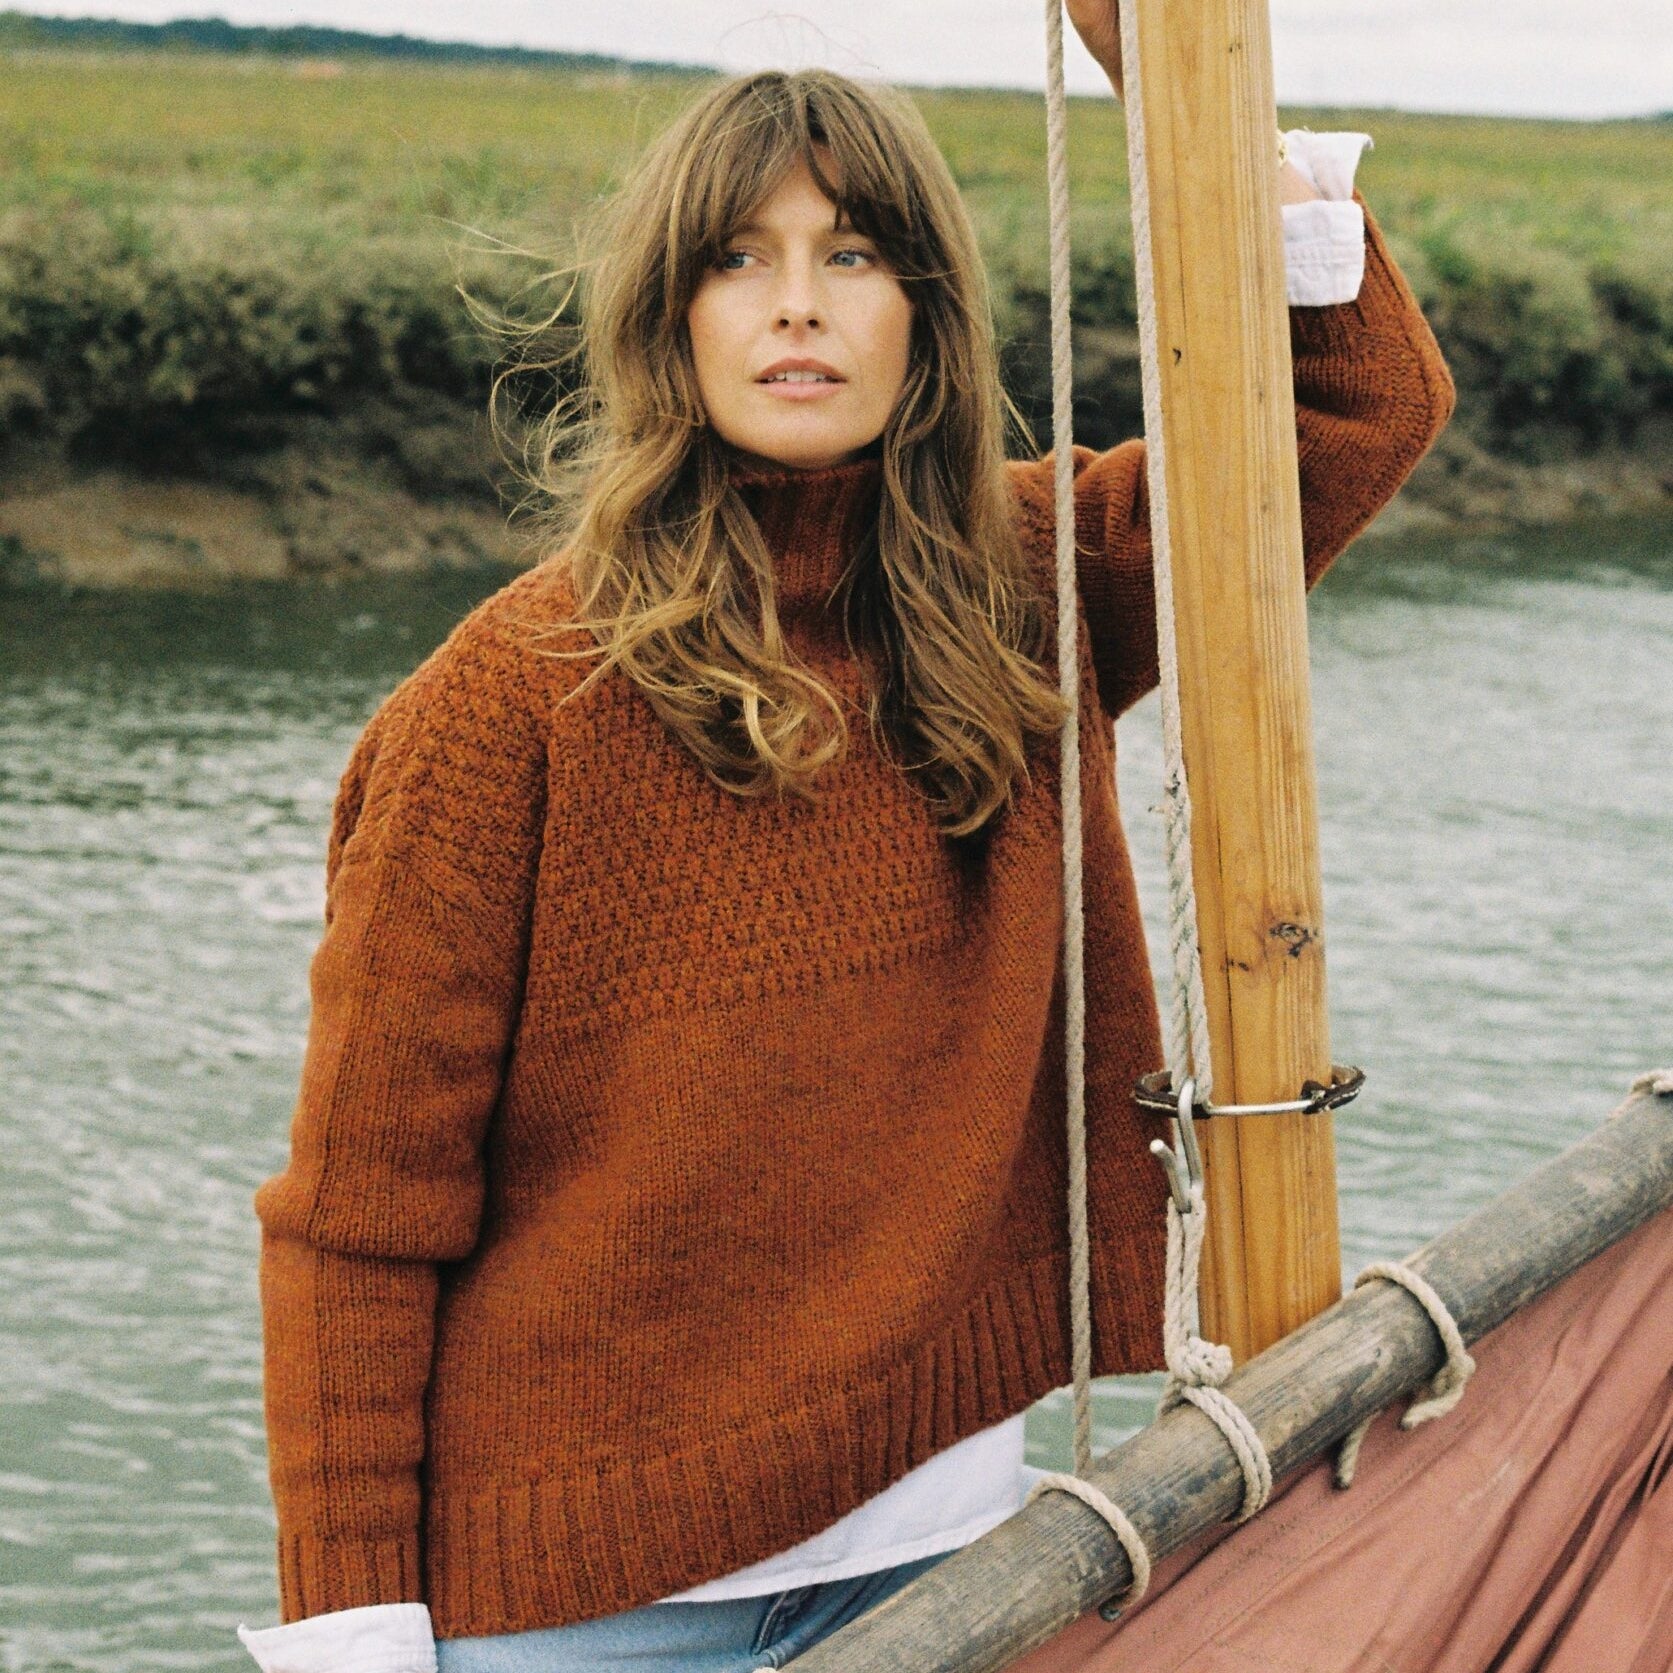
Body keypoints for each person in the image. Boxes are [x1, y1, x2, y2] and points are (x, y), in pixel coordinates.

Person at [234, 19, 1455, 1673]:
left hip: (950, 1551)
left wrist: (1186, 97)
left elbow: (1356, 408)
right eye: (739, 259)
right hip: (576, 1607)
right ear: (672, 318)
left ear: (925, 319)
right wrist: (352, 1632)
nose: (797, 301)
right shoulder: (501, 705)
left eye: (853, 252)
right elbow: (359, 1217)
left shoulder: (1029, 582)